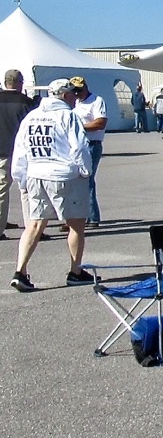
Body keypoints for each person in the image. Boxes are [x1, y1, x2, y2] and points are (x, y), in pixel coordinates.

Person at [10, 78, 93, 291]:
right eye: (73, 94)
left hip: (36, 174)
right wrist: (85, 171)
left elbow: (20, 150)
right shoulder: (68, 116)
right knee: (76, 225)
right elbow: (79, 147)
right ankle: (75, 271)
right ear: (65, 95)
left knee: (35, 224)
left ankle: (20, 271)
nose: (76, 97)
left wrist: (21, 178)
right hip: (64, 175)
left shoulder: (32, 116)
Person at [0, 69, 38, 239]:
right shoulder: (26, 103)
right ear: (19, 83)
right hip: (19, 151)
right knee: (27, 190)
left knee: (2, 190)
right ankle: (33, 228)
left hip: (2, 150)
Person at [68, 77, 106, 228]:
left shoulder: (96, 101)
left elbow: (100, 123)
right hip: (75, 144)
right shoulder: (74, 102)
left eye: (79, 90)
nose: (77, 93)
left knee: (87, 179)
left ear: (86, 87)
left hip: (91, 144)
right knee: (73, 180)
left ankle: (92, 217)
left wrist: (79, 127)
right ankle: (76, 217)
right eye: (74, 91)